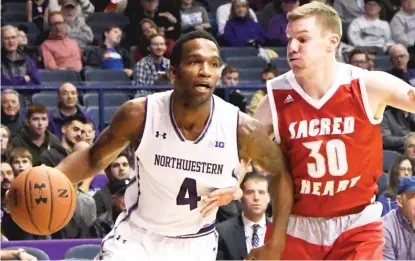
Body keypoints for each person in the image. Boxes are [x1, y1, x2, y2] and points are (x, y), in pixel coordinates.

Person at [36, 30, 291, 260]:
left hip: (195, 245)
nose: (205, 71)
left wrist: (274, 237)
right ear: (173, 72)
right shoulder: (139, 114)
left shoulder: (240, 128)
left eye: (213, 64)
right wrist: (46, 181)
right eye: (195, 62)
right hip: (137, 238)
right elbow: (93, 159)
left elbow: (281, 172)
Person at [249, 2, 415, 260]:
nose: (292, 47)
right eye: (290, 39)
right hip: (298, 226)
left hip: (357, 224)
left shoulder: (367, 85)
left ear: (332, 42)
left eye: (302, 39)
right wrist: (228, 183)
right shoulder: (275, 97)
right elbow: (243, 155)